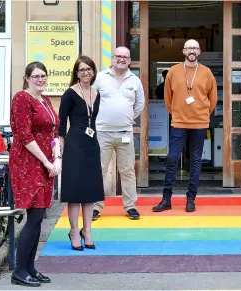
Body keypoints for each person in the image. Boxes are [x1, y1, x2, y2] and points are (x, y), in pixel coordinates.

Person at [9, 62, 60, 287]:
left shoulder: (46, 100)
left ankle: (30, 267)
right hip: (28, 162)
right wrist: (47, 161)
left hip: (46, 162)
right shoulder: (22, 98)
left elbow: (54, 132)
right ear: (27, 78)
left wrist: (57, 158)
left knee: (38, 216)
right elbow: (24, 134)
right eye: (36, 76)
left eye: (43, 76)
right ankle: (19, 271)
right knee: (34, 215)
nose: (41, 79)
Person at [152, 39, 217, 213]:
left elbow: (213, 99)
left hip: (199, 122)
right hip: (179, 121)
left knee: (195, 160)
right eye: (189, 48)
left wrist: (202, 114)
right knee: (172, 158)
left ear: (199, 51)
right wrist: (176, 113)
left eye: (195, 48)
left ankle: (191, 199)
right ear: (183, 51)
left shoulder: (206, 72)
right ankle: (166, 199)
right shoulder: (173, 71)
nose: (192, 51)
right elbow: (167, 98)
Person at [92, 46, 145, 221]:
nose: (121, 59)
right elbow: (90, 101)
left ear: (129, 61)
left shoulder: (135, 80)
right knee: (99, 171)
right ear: (112, 59)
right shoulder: (99, 78)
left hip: (125, 133)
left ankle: (130, 206)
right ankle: (95, 207)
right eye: (118, 56)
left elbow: (139, 105)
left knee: (128, 171)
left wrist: (126, 117)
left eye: (125, 57)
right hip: (102, 133)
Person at [58, 56, 104, 250]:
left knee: (90, 191)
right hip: (75, 144)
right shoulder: (69, 94)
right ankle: (74, 231)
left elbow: (93, 119)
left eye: (89, 69)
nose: (86, 73)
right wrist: (60, 146)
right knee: (75, 191)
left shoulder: (96, 93)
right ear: (76, 73)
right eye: (82, 70)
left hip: (92, 143)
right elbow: (61, 123)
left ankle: (88, 231)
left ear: (93, 72)